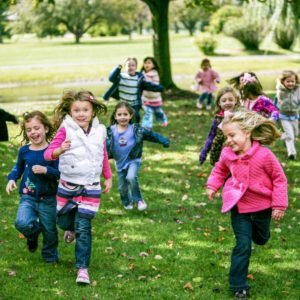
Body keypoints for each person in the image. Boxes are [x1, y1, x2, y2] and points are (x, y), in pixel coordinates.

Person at [206, 111, 288, 299]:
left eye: (232, 135)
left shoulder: (265, 155)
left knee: (261, 239)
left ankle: (259, 235)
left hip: (262, 208)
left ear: (247, 132)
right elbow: (219, 170)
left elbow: (279, 179)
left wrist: (279, 205)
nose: (228, 140)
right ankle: (238, 285)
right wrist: (212, 186)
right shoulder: (227, 154)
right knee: (243, 245)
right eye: (226, 136)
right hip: (239, 207)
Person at [44, 90, 112, 285]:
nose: (81, 114)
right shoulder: (66, 129)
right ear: (70, 112)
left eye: (85, 110)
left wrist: (108, 176)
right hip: (68, 185)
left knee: (84, 227)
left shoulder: (100, 131)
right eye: (76, 110)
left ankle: (82, 269)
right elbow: (48, 155)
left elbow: (103, 154)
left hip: (90, 186)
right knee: (64, 221)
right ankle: (69, 229)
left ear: (93, 112)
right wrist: (59, 150)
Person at [6, 111, 59, 263]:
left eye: (37, 128)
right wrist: (12, 179)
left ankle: (50, 256)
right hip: (27, 196)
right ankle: (33, 234)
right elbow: (18, 168)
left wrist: (46, 170)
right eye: (29, 130)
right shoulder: (24, 151)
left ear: (46, 129)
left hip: (48, 198)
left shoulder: (52, 152)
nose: (33, 132)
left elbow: (60, 173)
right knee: (21, 222)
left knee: (50, 231)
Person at [106, 102, 170, 211]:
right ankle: (127, 201)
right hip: (119, 162)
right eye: (120, 114)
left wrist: (163, 140)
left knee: (131, 177)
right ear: (115, 116)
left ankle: (139, 200)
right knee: (122, 188)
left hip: (133, 159)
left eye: (125, 114)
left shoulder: (136, 130)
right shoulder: (110, 131)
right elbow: (100, 143)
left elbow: (151, 135)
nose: (122, 117)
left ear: (130, 116)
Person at [103, 57, 164, 123]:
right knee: (120, 119)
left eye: (133, 65)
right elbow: (111, 78)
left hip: (135, 105)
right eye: (128, 65)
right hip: (123, 104)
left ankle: (135, 130)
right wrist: (118, 68)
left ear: (136, 67)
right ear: (125, 66)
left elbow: (148, 85)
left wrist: (159, 88)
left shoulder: (139, 78)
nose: (131, 67)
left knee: (135, 119)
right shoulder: (121, 76)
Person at [199, 86, 240, 166]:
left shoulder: (239, 117)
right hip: (219, 154)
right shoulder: (218, 119)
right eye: (224, 101)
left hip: (236, 153)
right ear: (219, 103)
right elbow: (211, 136)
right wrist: (204, 151)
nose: (227, 102)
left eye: (230, 100)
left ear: (236, 101)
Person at [276, 70, 300, 160]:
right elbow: (277, 101)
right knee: (290, 136)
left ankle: (283, 136)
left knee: (295, 134)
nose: (290, 83)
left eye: (292, 81)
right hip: (284, 116)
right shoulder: (281, 90)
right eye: (288, 81)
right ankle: (292, 153)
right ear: (283, 82)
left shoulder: (297, 90)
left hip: (294, 116)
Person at [140, 56, 168, 129]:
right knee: (148, 112)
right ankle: (146, 126)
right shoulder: (141, 74)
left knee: (158, 112)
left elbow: (153, 85)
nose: (146, 65)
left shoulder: (155, 74)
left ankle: (163, 119)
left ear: (154, 65)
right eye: (145, 63)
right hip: (145, 98)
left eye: (149, 63)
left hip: (155, 98)